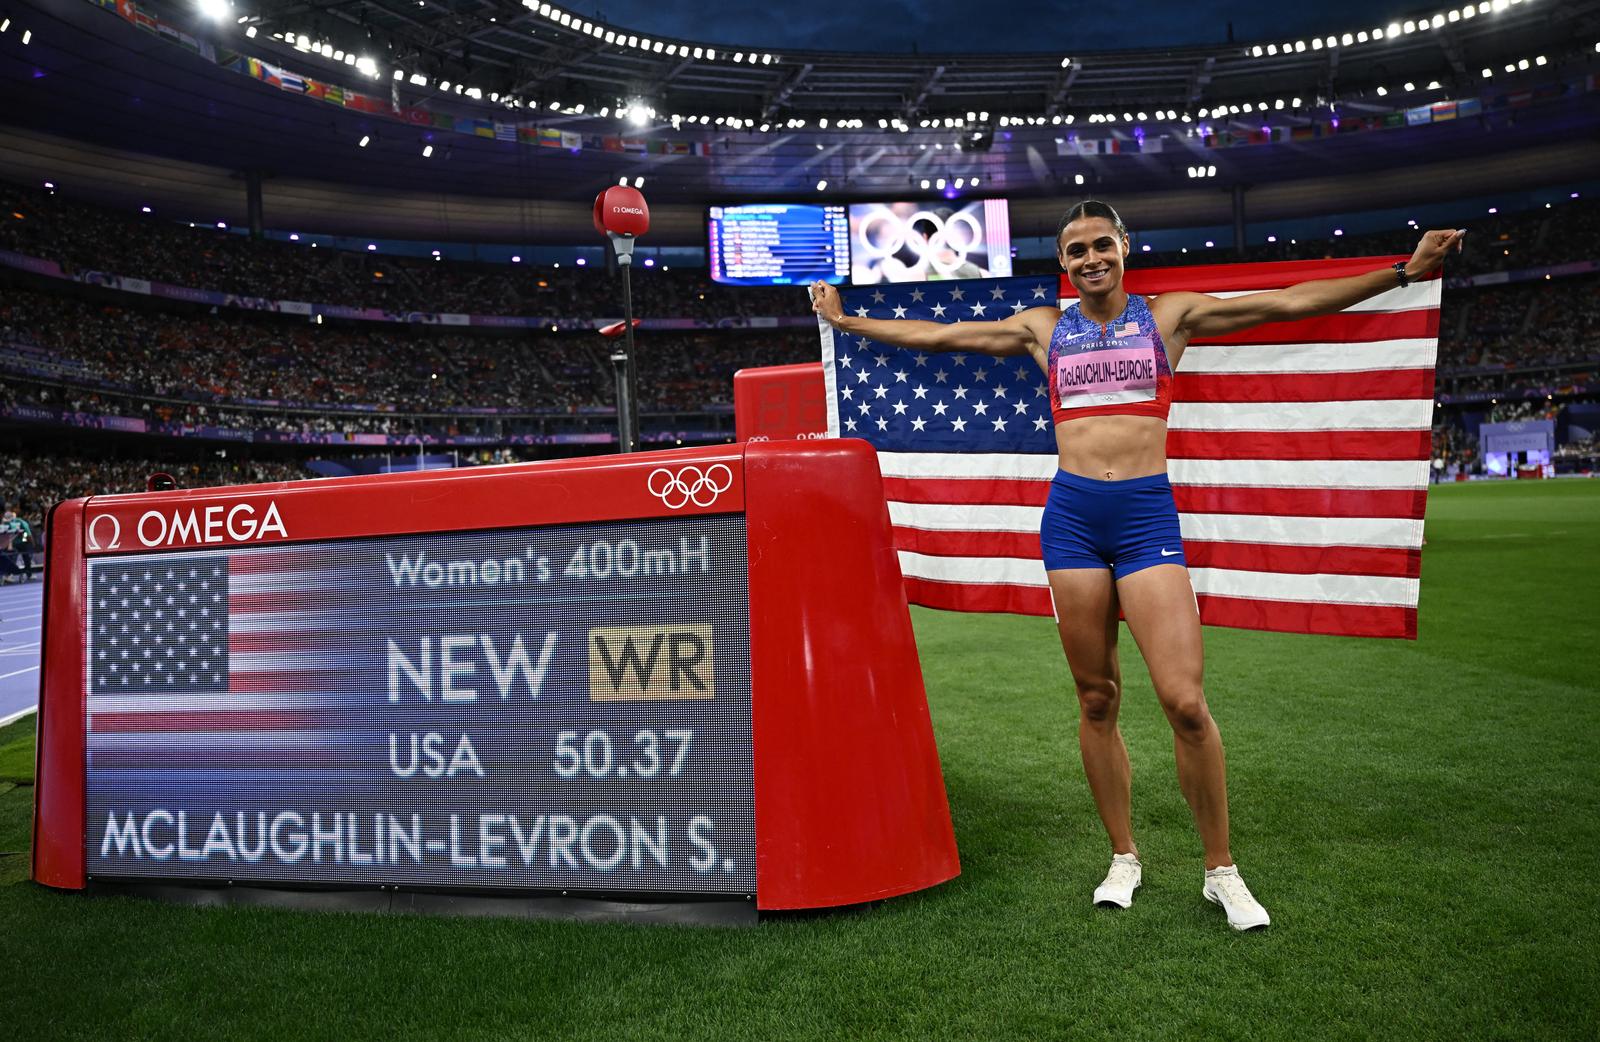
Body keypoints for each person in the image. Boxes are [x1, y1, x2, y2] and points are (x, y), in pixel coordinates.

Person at [811, 200, 1463, 930]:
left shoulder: (1169, 317)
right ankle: (1123, 854)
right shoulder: (1043, 328)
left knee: (1184, 702)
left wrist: (1404, 272)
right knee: (1097, 699)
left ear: (1124, 247)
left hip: (1146, 518)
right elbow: (935, 336)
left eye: (1101, 245)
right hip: (1072, 523)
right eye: (1075, 250)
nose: (1090, 259)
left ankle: (1221, 870)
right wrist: (845, 322)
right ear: (1062, 264)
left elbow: (1284, 303)